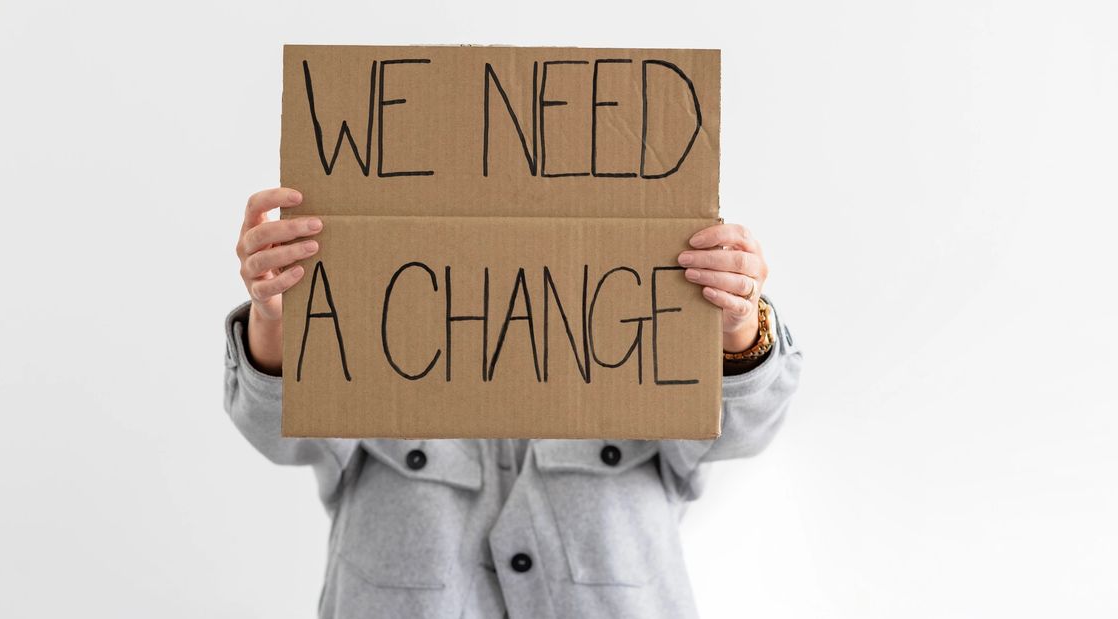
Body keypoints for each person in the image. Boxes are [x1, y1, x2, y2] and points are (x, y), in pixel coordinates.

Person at [224, 187, 803, 618]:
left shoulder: (644, 299)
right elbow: (281, 434)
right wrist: (277, 323)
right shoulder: (369, 300)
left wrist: (738, 330)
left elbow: (740, 432)